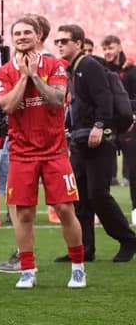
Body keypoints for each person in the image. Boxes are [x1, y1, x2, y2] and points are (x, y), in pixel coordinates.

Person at [0, 17, 86, 289]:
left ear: (38, 36)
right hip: (21, 154)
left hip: (55, 151)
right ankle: (27, 270)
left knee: (65, 209)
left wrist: (35, 74)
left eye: (27, 33)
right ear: (12, 39)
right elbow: (8, 106)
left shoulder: (55, 66)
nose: (22, 37)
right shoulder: (4, 72)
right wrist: (24, 76)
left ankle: (78, 268)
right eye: (17, 33)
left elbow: (57, 100)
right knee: (23, 214)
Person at [55, 25, 136, 262]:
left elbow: (104, 97)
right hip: (80, 139)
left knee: (98, 194)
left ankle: (128, 239)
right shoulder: (74, 68)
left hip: (98, 139)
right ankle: (85, 248)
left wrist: (100, 125)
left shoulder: (88, 65)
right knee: (80, 197)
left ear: (78, 43)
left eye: (64, 41)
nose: (59, 45)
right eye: (57, 41)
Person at [101, 35, 136, 211]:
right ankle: (100, 210)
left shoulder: (131, 71)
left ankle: (135, 209)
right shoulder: (100, 70)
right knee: (101, 171)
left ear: (119, 47)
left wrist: (126, 109)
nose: (107, 52)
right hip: (108, 126)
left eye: (111, 48)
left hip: (129, 126)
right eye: (105, 49)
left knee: (134, 170)